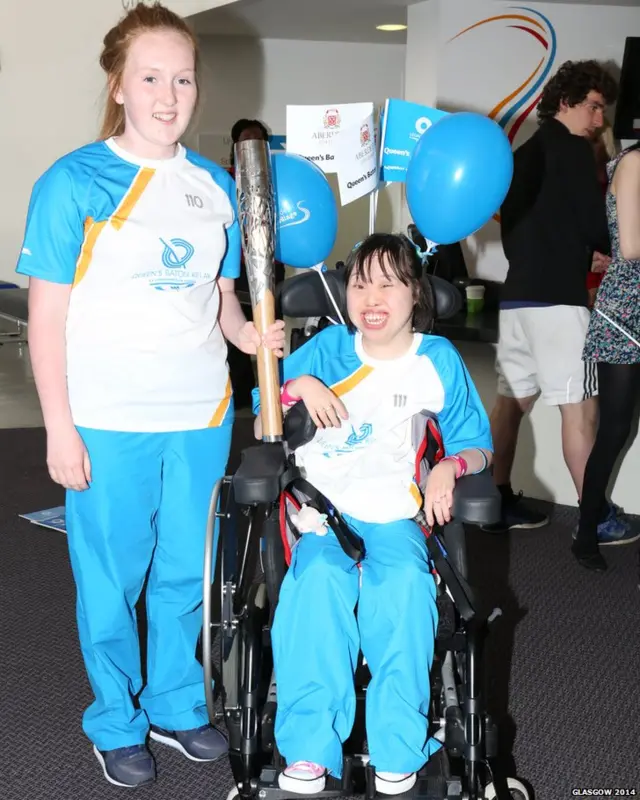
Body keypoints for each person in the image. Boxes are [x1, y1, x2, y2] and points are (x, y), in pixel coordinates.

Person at [15, 2, 284, 788]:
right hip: (108, 416)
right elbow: (46, 316)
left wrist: (245, 338)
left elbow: (220, 297)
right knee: (111, 577)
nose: (170, 96)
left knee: (185, 573)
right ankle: (115, 718)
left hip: (200, 414)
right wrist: (57, 429)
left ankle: (173, 703)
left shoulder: (213, 186)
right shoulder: (74, 181)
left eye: (184, 79)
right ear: (119, 85)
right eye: (151, 78)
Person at [253, 234, 493, 795]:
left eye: (389, 282)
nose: (372, 296)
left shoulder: (436, 360)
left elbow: (478, 443)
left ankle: (398, 746)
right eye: (360, 283)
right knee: (315, 582)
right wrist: (298, 382)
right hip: (324, 512)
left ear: (416, 293)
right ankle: (310, 748)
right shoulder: (330, 348)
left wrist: (450, 466)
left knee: (404, 587)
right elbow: (268, 407)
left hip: (396, 515)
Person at [487, 60, 626, 537]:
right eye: (593, 107)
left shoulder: (523, 153)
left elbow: (521, 232)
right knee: (581, 410)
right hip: (560, 305)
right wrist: (609, 251)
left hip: (517, 299)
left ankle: (495, 501)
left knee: (510, 406)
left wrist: (578, 252)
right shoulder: (571, 150)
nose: (599, 120)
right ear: (565, 102)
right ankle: (595, 519)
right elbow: (594, 224)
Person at [573, 141, 640, 571]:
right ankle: (585, 533)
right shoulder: (634, 162)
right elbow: (631, 247)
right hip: (626, 308)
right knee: (615, 429)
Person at [226, 118, 286, 409]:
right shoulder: (224, 180)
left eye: (257, 141)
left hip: (271, 268)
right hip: (234, 272)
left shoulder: (276, 180)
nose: (251, 147)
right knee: (238, 338)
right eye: (245, 141)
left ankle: (276, 397)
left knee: (272, 333)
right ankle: (242, 400)